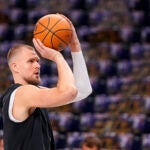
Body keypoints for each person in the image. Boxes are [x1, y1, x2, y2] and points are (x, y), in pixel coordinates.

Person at [0, 15, 92, 150]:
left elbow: (83, 91)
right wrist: (57, 56)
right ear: (15, 67)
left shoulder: (33, 94)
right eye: (31, 61)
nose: (37, 65)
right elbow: (69, 91)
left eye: (38, 61)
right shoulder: (22, 93)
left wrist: (75, 45)